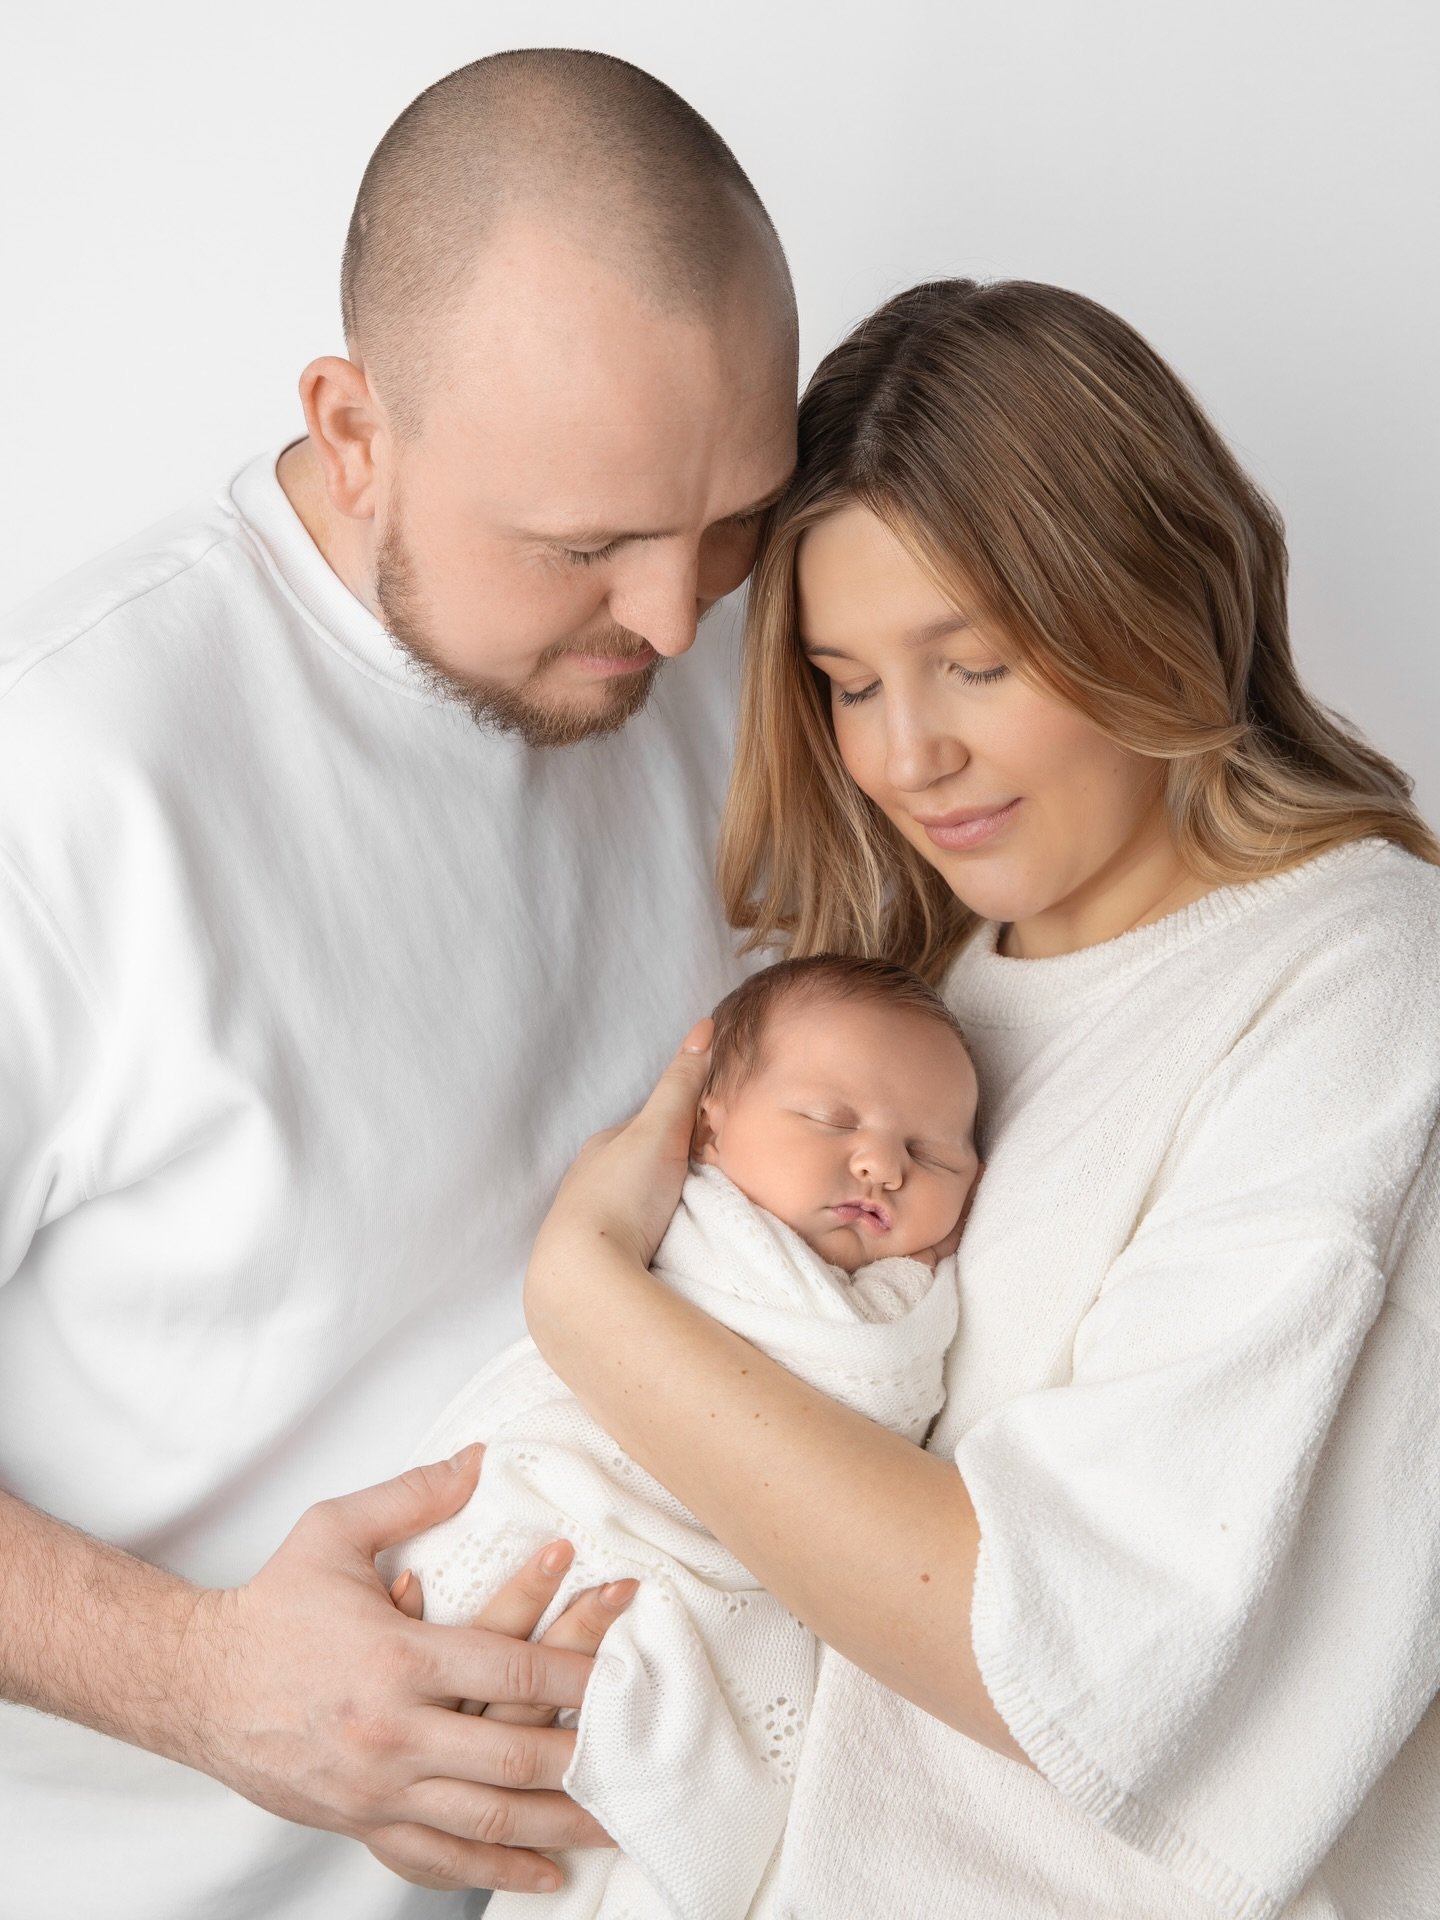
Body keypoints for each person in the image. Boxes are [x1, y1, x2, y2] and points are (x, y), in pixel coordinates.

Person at [520, 280, 1440, 1917]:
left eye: (976, 664)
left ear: (1159, 597)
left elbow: (1072, 1650)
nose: (909, 756)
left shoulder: (1360, 993)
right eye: (849, 683)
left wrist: (585, 1299)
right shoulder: (927, 1005)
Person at [0, 48, 796, 1920]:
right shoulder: (69, 781)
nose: (676, 623)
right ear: (354, 430)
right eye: (586, 545)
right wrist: (196, 1681)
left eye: (732, 520)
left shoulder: (753, 654)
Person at [387, 955, 978, 1916]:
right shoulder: (678, 1234)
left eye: (935, 1154)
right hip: (578, 1525)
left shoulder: (906, 1308)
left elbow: (878, 1414)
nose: (883, 1164)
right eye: (831, 1122)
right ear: (705, 1124)